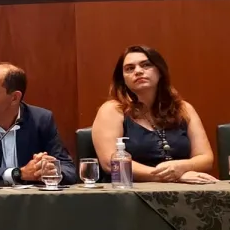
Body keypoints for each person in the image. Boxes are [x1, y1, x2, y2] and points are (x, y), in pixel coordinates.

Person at [91, 46, 216, 184]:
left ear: (160, 71)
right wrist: (170, 176)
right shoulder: (112, 110)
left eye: (146, 65)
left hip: (184, 187)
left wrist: (181, 167)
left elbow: (205, 158)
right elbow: (111, 163)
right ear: (123, 79)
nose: (138, 71)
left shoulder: (183, 108)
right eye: (130, 68)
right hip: (130, 191)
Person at [0, 63, 77, 186]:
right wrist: (19, 173)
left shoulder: (41, 119)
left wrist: (48, 170)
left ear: (14, 98)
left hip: (30, 197)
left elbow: (69, 170)